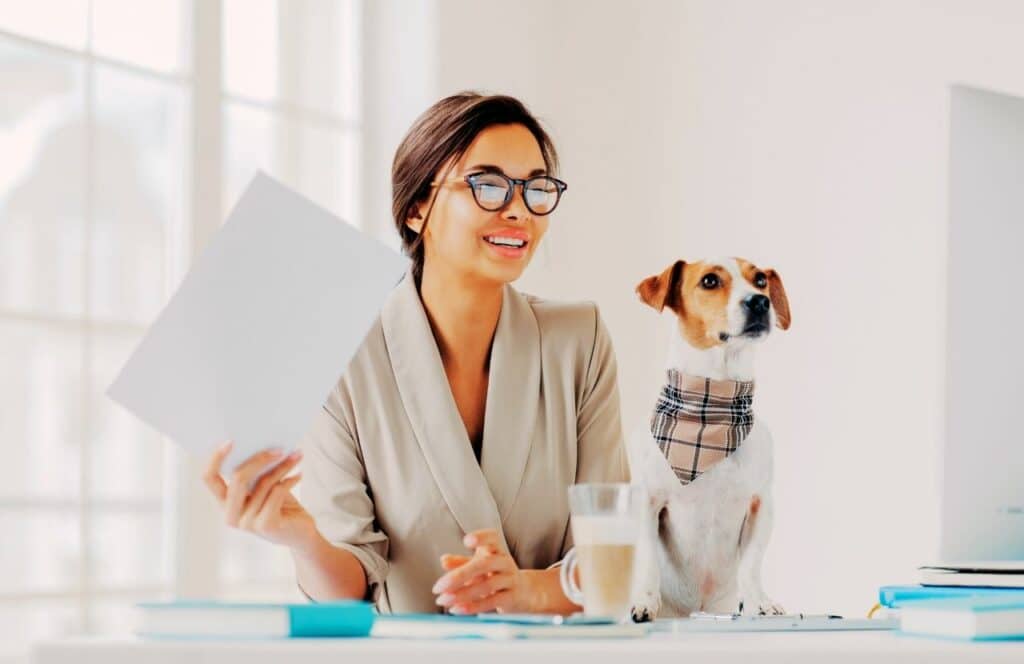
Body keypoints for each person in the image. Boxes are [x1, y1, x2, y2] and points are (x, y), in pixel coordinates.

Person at [201, 92, 628, 615]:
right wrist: (301, 538)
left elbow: (615, 558)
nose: (519, 210)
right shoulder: (343, 350)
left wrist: (529, 590)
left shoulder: (577, 339)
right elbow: (347, 589)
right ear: (416, 208)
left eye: (537, 189)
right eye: (488, 185)